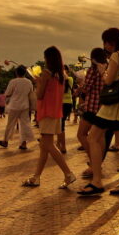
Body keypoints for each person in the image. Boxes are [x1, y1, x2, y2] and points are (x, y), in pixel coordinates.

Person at [78, 28, 119, 196]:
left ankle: (97, 181)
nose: (105, 46)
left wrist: (102, 69)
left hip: (112, 105)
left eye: (106, 42)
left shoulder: (116, 56)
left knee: (93, 137)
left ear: (110, 42)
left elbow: (108, 80)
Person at [21, 47, 76, 189]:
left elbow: (39, 95)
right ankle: (36, 177)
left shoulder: (46, 73)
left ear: (48, 59)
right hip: (56, 111)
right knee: (44, 146)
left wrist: (37, 82)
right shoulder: (62, 75)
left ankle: (68, 173)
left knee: (49, 145)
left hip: (46, 111)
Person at [74, 48, 105, 155]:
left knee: (81, 134)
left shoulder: (93, 70)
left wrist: (79, 89)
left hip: (92, 106)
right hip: (102, 108)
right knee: (98, 138)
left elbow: (86, 88)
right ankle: (98, 161)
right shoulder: (106, 68)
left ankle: (93, 159)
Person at [0, 66, 35, 151]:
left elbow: (7, 93)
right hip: (25, 105)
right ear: (25, 73)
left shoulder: (13, 81)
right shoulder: (29, 82)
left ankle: (5, 141)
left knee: (10, 124)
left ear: (16, 73)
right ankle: (23, 144)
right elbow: (30, 92)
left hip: (14, 106)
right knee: (25, 124)